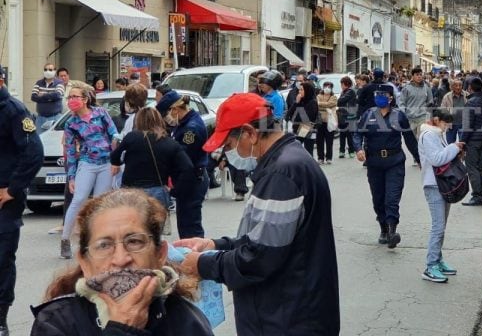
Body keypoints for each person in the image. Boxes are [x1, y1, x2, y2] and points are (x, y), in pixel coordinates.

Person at [174, 93, 340, 335]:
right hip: (287, 311)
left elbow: (260, 257)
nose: (229, 155)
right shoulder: (285, 163)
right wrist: (216, 244)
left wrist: (203, 264)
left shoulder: (282, 173)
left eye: (229, 146)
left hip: (286, 318)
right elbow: (264, 239)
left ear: (250, 133)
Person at [31, 189, 214, 335]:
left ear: (160, 255)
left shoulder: (186, 321)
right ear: (85, 262)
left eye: (134, 242)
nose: (120, 259)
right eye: (104, 245)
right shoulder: (56, 324)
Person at [0, 64, 44, 336]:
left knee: (2, 258)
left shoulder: (13, 111)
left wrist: (13, 189)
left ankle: (1, 317)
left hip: (4, 199)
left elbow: (34, 153)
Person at [353, 90, 419, 248]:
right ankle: (383, 227)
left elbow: (409, 138)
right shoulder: (368, 115)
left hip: (394, 161)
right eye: (377, 96)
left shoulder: (399, 116)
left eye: (383, 96)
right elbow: (357, 133)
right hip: (374, 162)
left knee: (392, 198)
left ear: (390, 99)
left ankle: (392, 231)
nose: (380, 98)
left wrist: (419, 157)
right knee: (378, 198)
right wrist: (358, 149)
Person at [61, 82, 119, 259]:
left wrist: (116, 160)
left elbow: (114, 134)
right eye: (69, 97)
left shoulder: (101, 113)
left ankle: (96, 241)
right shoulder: (71, 124)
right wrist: (71, 176)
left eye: (75, 97)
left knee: (100, 203)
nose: (71, 100)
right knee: (78, 199)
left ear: (85, 99)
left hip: (106, 162)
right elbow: (70, 152)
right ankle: (65, 239)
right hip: (87, 162)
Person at [110, 107, 195, 210]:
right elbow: (188, 167)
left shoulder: (131, 137)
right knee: (156, 225)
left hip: (131, 191)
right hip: (158, 190)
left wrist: (117, 163)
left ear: (138, 121)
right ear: (159, 120)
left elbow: (115, 155)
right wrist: (174, 191)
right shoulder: (170, 143)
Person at [418, 109, 464, 283]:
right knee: (438, 226)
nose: (446, 128)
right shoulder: (429, 135)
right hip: (433, 185)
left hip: (443, 184)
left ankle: (438, 259)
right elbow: (437, 159)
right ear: (436, 120)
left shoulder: (437, 134)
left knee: (441, 226)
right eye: (445, 124)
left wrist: (455, 150)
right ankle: (430, 266)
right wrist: (454, 147)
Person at [155, 91, 208, 238]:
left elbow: (183, 158)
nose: (167, 119)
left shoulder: (191, 129)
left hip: (192, 180)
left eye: (166, 114)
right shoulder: (184, 123)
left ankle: (196, 257)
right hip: (187, 179)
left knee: (190, 226)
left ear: (175, 110)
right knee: (185, 223)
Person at [461, 78, 482, 206]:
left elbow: (467, 126)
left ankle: (477, 195)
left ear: (470, 88)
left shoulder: (470, 102)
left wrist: (462, 142)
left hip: (473, 139)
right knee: (479, 167)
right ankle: (481, 194)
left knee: (472, 167)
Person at [286, 82, 318, 156]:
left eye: (301, 90)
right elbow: (289, 114)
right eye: (299, 90)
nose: (299, 92)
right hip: (297, 128)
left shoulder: (312, 102)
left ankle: (309, 167)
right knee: (296, 151)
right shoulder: (300, 101)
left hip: (306, 128)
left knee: (308, 152)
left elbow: (306, 118)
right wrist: (296, 103)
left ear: (307, 90)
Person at [31, 63, 65, 131]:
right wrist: (50, 97)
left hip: (54, 117)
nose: (47, 71)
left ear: (55, 71)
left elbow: (57, 95)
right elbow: (33, 97)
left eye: (50, 69)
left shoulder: (59, 83)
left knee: (53, 139)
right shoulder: (39, 83)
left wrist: (43, 95)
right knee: (40, 139)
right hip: (40, 118)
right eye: (45, 69)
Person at [316, 82, 338, 164]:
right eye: (325, 86)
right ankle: (320, 158)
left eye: (329, 87)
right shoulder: (318, 96)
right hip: (320, 121)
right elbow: (317, 104)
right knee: (319, 140)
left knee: (329, 140)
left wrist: (321, 105)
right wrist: (327, 107)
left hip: (330, 121)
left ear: (332, 88)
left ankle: (329, 158)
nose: (327, 88)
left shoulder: (334, 97)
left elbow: (332, 104)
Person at [441, 79, 468, 144]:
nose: (458, 87)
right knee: (450, 143)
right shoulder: (447, 96)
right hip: (451, 125)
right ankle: (453, 154)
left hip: (463, 124)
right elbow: (442, 109)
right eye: (456, 85)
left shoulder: (467, 95)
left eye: (460, 85)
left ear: (462, 86)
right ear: (452, 87)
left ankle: (462, 154)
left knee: (463, 143)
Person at [337, 76, 357, 159]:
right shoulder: (344, 91)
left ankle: (351, 151)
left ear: (346, 84)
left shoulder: (350, 91)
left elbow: (340, 101)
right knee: (342, 134)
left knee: (349, 134)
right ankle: (342, 151)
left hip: (349, 115)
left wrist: (339, 100)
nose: (341, 85)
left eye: (342, 83)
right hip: (343, 114)